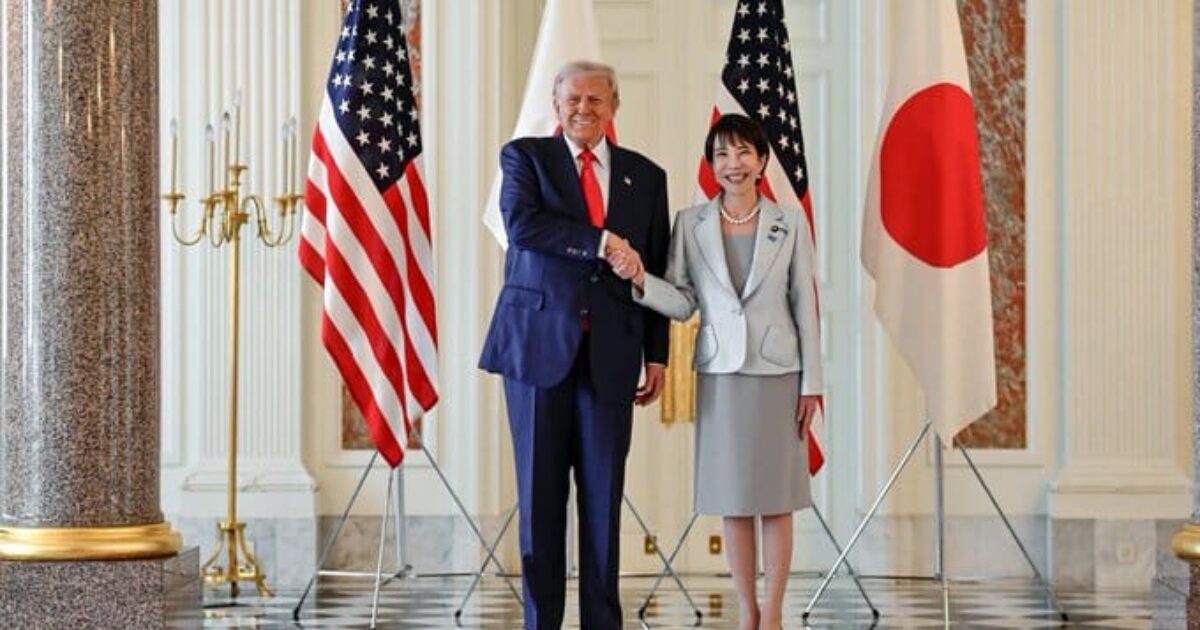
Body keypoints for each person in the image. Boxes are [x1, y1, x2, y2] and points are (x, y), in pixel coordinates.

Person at [610, 113, 822, 630]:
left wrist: (812, 383)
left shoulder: (789, 223)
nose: (733, 164)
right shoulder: (691, 224)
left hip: (778, 376)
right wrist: (642, 278)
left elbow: (805, 306)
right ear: (711, 163)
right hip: (721, 376)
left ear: (762, 160)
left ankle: (772, 612)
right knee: (733, 496)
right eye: (722, 154)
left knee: (776, 500)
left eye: (744, 152)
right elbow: (682, 301)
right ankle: (746, 609)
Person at [478, 60, 670, 629]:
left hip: (611, 357)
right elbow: (523, 225)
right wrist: (604, 242)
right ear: (556, 106)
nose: (584, 109)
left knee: (603, 503)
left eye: (596, 100)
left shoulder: (646, 176)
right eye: (573, 100)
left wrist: (656, 353)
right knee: (540, 503)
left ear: (614, 109)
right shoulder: (525, 158)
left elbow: (653, 267)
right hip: (537, 353)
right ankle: (542, 622)